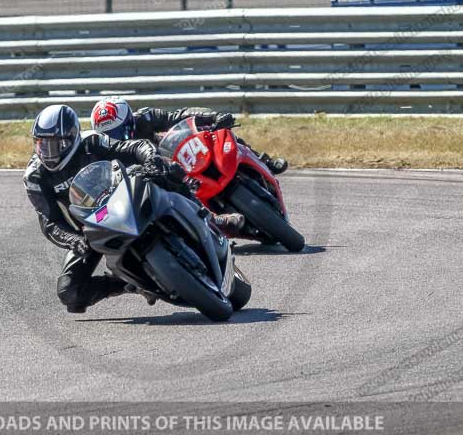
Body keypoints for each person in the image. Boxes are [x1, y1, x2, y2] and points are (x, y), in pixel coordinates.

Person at [24, 104, 244, 314]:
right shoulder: (35, 176)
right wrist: (73, 239)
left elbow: (134, 146)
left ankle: (212, 219)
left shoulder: (91, 141)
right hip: (90, 227)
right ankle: (127, 283)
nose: (49, 153)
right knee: (69, 291)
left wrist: (151, 159)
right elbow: (49, 221)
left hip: (125, 192)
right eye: (42, 144)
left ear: (73, 137)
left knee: (168, 172)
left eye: (57, 144)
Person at [90, 96, 288, 174]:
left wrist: (213, 117)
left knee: (217, 133)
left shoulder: (145, 117)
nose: (118, 138)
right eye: (110, 135)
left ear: (130, 120)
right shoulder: (100, 150)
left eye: (120, 130)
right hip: (153, 178)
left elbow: (179, 116)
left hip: (173, 154)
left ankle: (264, 161)